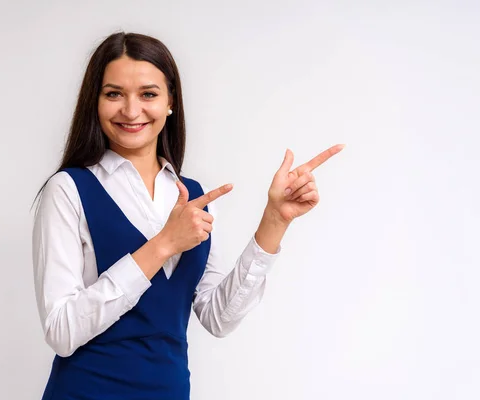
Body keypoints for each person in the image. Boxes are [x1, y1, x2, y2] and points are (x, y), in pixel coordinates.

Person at [32, 31, 344, 400]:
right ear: (94, 102)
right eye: (113, 94)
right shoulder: (68, 190)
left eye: (148, 94)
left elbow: (218, 317)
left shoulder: (193, 196)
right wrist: (162, 245)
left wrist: (276, 219)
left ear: (170, 102)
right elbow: (61, 331)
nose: (131, 111)